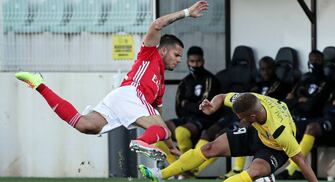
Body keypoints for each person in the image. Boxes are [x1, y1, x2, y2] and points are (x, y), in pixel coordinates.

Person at [14, 1, 209, 162]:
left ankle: (38, 84)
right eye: (176, 54)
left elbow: (157, 114)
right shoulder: (150, 54)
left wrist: (169, 145)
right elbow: (156, 25)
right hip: (130, 93)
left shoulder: (160, 83)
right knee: (162, 130)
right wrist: (186, 12)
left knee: (86, 126)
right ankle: (141, 143)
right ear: (164, 50)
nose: (178, 60)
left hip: (121, 97)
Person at [138, 92, 328, 182]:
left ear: (252, 117)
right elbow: (221, 96)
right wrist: (213, 106)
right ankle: (160, 176)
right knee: (209, 148)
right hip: (257, 132)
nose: (238, 121)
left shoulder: (280, 130)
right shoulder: (250, 100)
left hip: (275, 149)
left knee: (254, 171)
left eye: (241, 118)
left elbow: (301, 161)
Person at [155, 46, 221, 166]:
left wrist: (187, 104)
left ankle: (187, 166)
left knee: (181, 132)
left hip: (205, 120)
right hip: (187, 119)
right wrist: (192, 106)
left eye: (198, 61)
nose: (195, 65)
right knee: (159, 132)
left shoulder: (210, 80)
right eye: (192, 61)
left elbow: (204, 108)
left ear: (203, 61)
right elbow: (179, 108)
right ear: (187, 62)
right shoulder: (184, 82)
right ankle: (176, 166)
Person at [280, 50, 335, 178]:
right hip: (296, 118)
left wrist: (297, 101)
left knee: (309, 127)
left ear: (323, 62)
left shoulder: (327, 82)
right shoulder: (304, 79)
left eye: (317, 60)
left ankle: (291, 169)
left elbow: (312, 105)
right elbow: (285, 102)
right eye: (311, 60)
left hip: (313, 119)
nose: (314, 63)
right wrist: (299, 100)